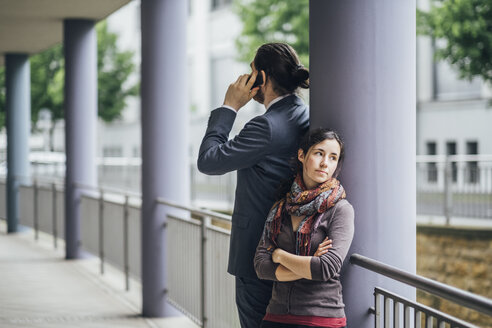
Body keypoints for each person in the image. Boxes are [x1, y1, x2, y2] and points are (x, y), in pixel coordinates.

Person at [197, 43, 310, 328]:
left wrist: (229, 106)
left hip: (257, 259)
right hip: (293, 254)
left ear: (262, 76)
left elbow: (209, 161)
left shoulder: (266, 126)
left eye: (251, 71)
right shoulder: (304, 116)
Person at [254, 128, 355, 328]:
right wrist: (309, 263)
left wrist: (280, 255)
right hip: (276, 315)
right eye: (319, 153)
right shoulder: (281, 208)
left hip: (321, 318)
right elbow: (261, 266)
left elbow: (326, 268)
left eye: (333, 157)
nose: (325, 163)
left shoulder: (340, 209)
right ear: (302, 155)